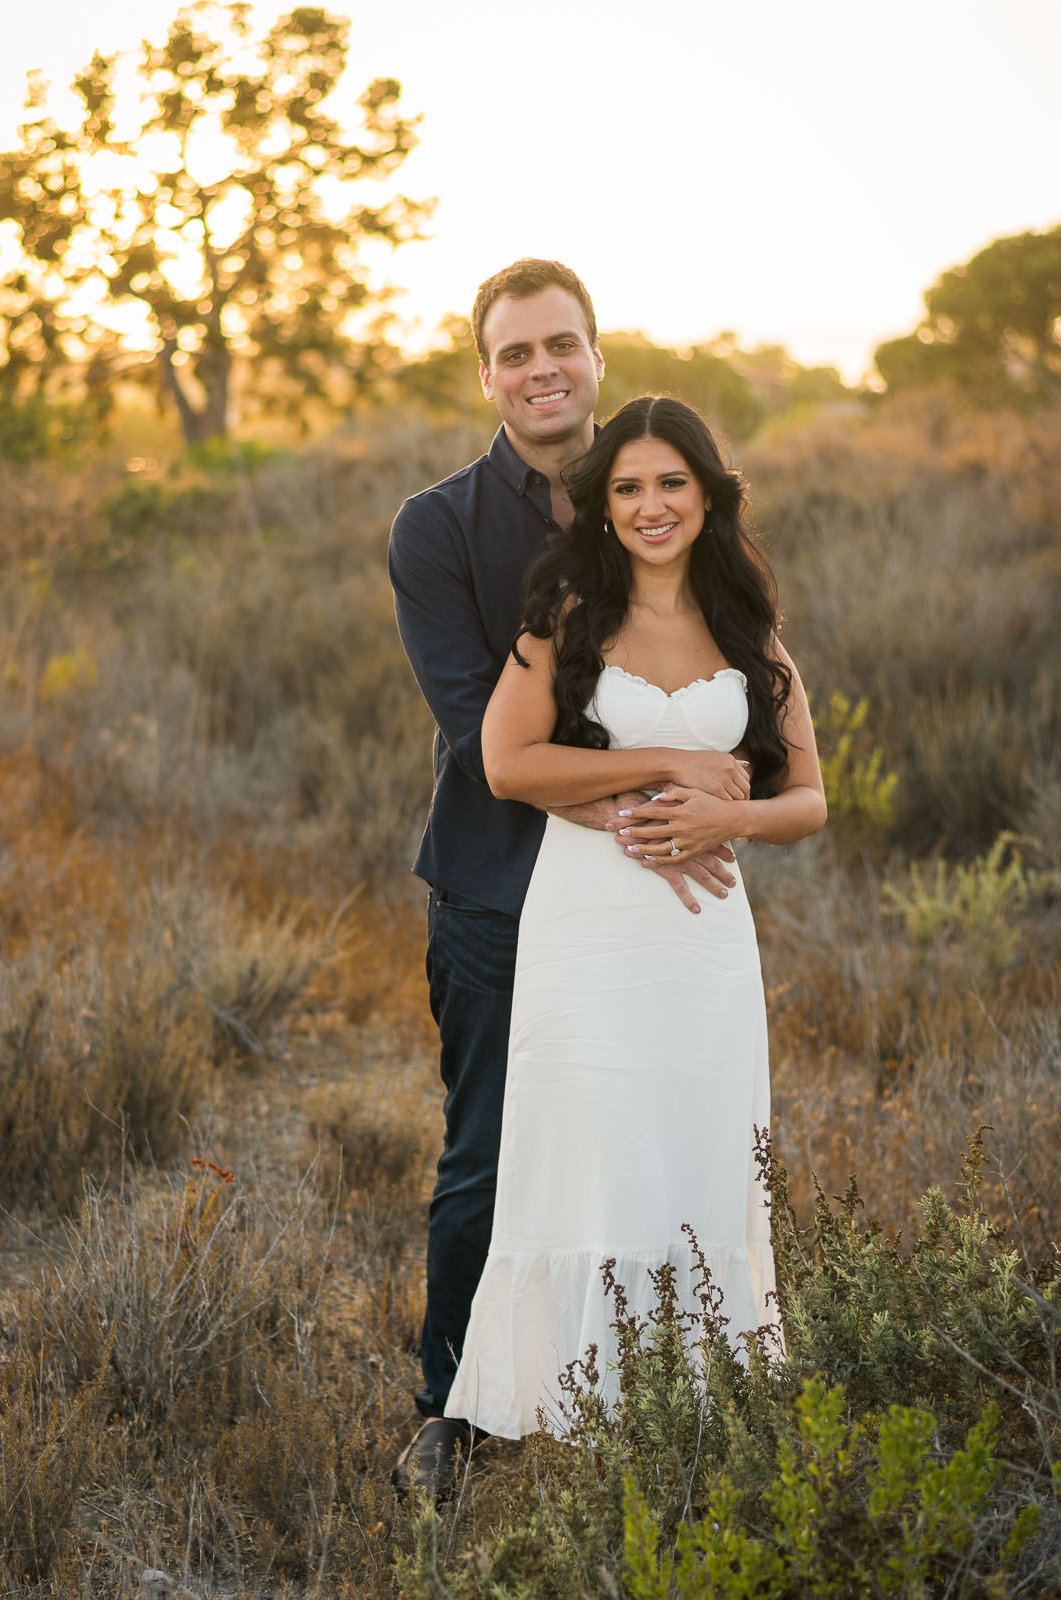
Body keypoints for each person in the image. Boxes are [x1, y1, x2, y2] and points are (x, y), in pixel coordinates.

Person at [388, 262, 744, 1496]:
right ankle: (453, 1411)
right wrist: (669, 798)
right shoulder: (436, 528)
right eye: (515, 352)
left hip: (651, 897)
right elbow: (478, 735)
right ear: (484, 373)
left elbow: (732, 664)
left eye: (563, 345)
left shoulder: (652, 495)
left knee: (654, 1136)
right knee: (490, 1152)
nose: (543, 368)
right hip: (501, 894)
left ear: (596, 356)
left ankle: (646, 1388)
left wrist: (721, 797)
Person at [443, 395, 826, 1439]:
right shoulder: (569, 614)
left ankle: (704, 1413)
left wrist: (725, 811)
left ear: (707, 492)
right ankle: (573, 1412)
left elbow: (810, 800)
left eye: (672, 483)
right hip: (586, 925)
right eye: (628, 487)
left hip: (701, 939)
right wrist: (663, 763)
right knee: (595, 1145)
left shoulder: (749, 624)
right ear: (602, 506)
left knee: (698, 1147)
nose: (652, 506)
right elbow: (507, 762)